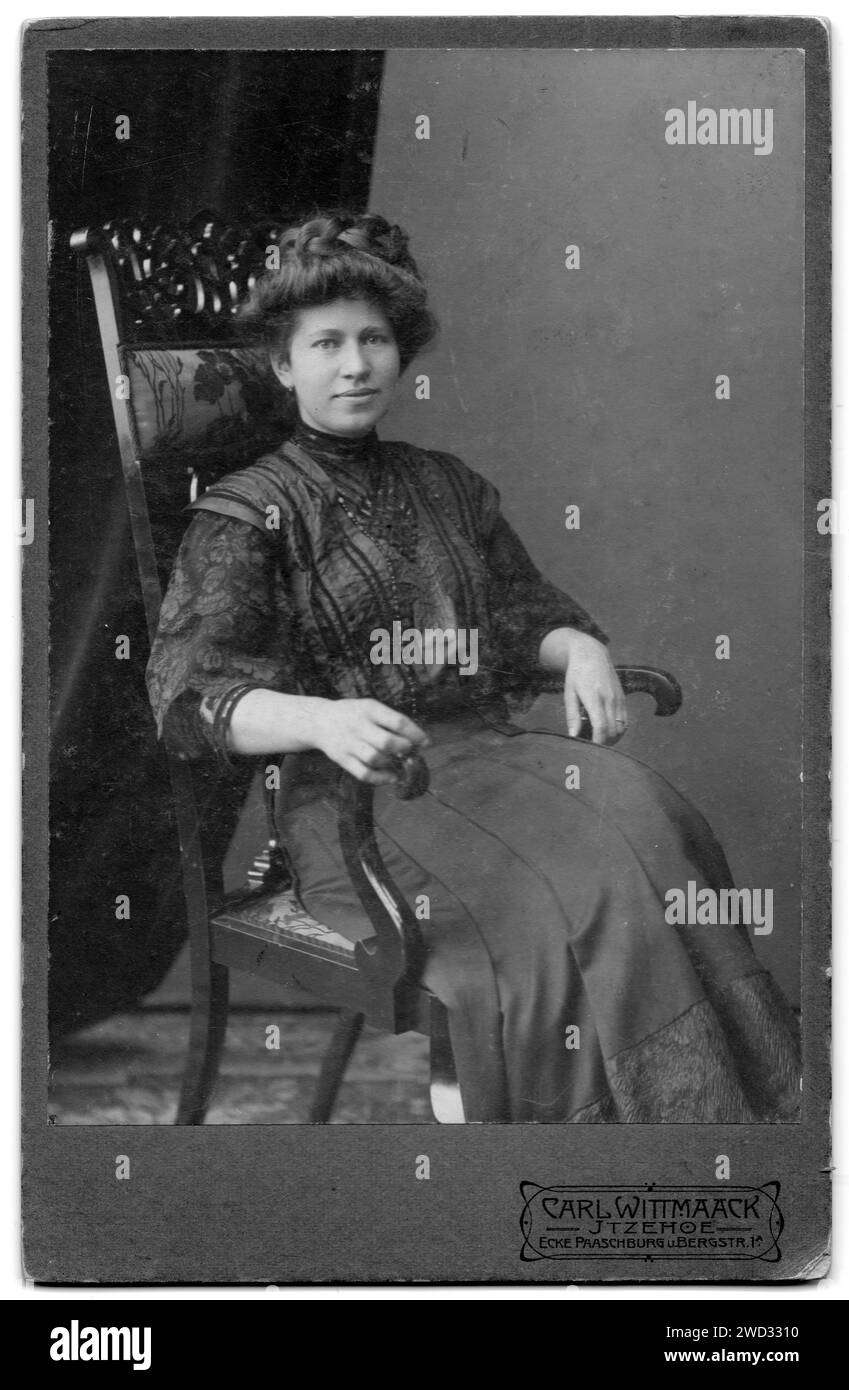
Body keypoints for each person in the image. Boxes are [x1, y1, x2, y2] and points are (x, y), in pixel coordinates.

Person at [146, 211, 800, 1123]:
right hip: (355, 803)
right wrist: (323, 719)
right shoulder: (247, 514)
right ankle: (548, 1166)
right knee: (562, 899)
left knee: (650, 821)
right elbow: (191, 695)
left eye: (373, 339)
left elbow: (521, 615)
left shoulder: (445, 484)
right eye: (325, 343)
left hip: (489, 760)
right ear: (283, 364)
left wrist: (577, 648)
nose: (354, 364)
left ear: (400, 353)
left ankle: (704, 1135)